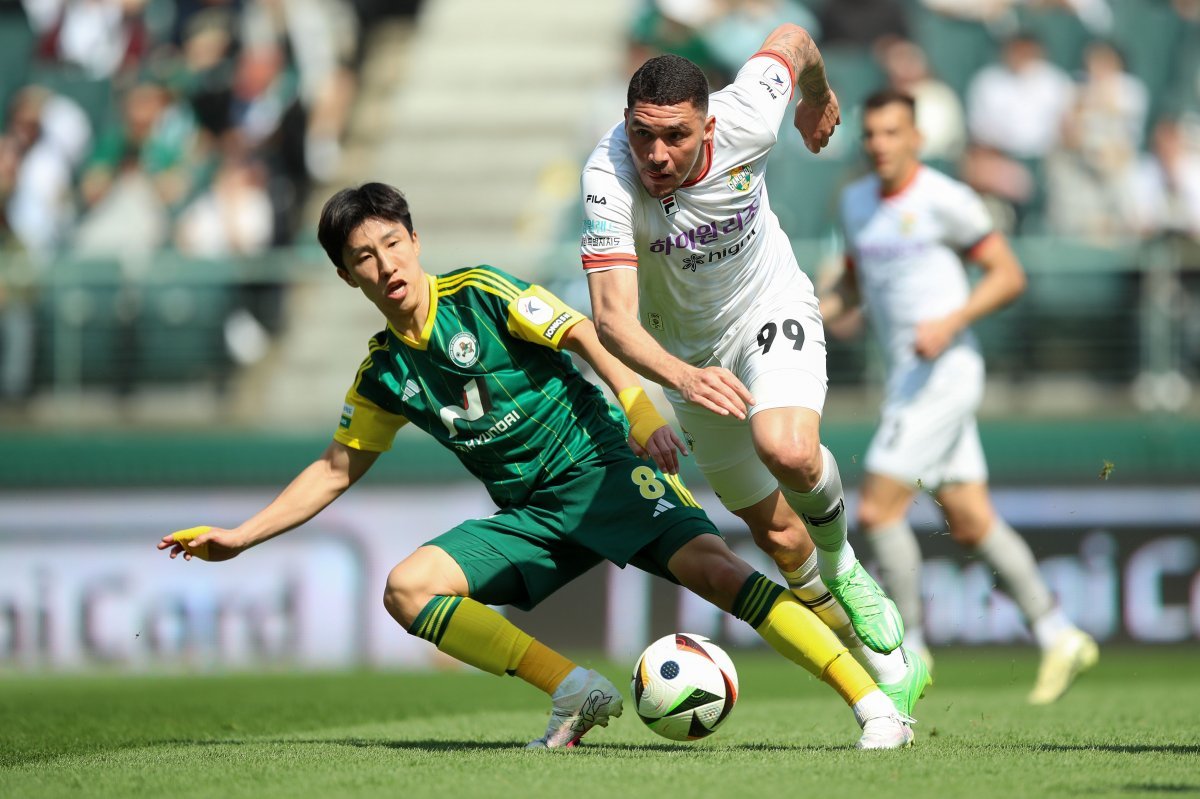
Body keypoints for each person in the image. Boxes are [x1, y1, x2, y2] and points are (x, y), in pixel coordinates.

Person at [157, 182, 918, 749]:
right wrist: (240, 535)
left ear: (414, 241)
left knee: (718, 570)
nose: (384, 264)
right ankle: (572, 690)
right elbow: (332, 468)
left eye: (391, 244)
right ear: (346, 276)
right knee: (408, 589)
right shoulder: (384, 372)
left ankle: (873, 704)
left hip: (604, 470)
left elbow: (585, 332)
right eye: (363, 257)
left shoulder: (481, 295)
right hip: (534, 516)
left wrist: (640, 406)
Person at [579, 24, 926, 708]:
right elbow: (612, 318)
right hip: (687, 356)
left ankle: (846, 563)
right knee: (776, 535)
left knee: (787, 447)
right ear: (626, 124)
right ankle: (884, 674)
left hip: (768, 304)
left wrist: (817, 98)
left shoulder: (751, 115)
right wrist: (682, 377)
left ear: (709, 125)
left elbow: (794, 39)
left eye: (675, 135)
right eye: (643, 134)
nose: (656, 153)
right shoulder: (607, 176)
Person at [821, 89, 1099, 704]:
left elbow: (1009, 274)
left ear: (917, 138)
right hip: (905, 375)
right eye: (871, 135)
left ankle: (910, 650)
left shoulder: (945, 200)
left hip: (945, 372)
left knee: (876, 510)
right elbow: (856, 285)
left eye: (893, 133)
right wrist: (814, 310)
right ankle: (1060, 633)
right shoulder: (856, 201)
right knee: (972, 521)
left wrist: (951, 320)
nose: (881, 145)